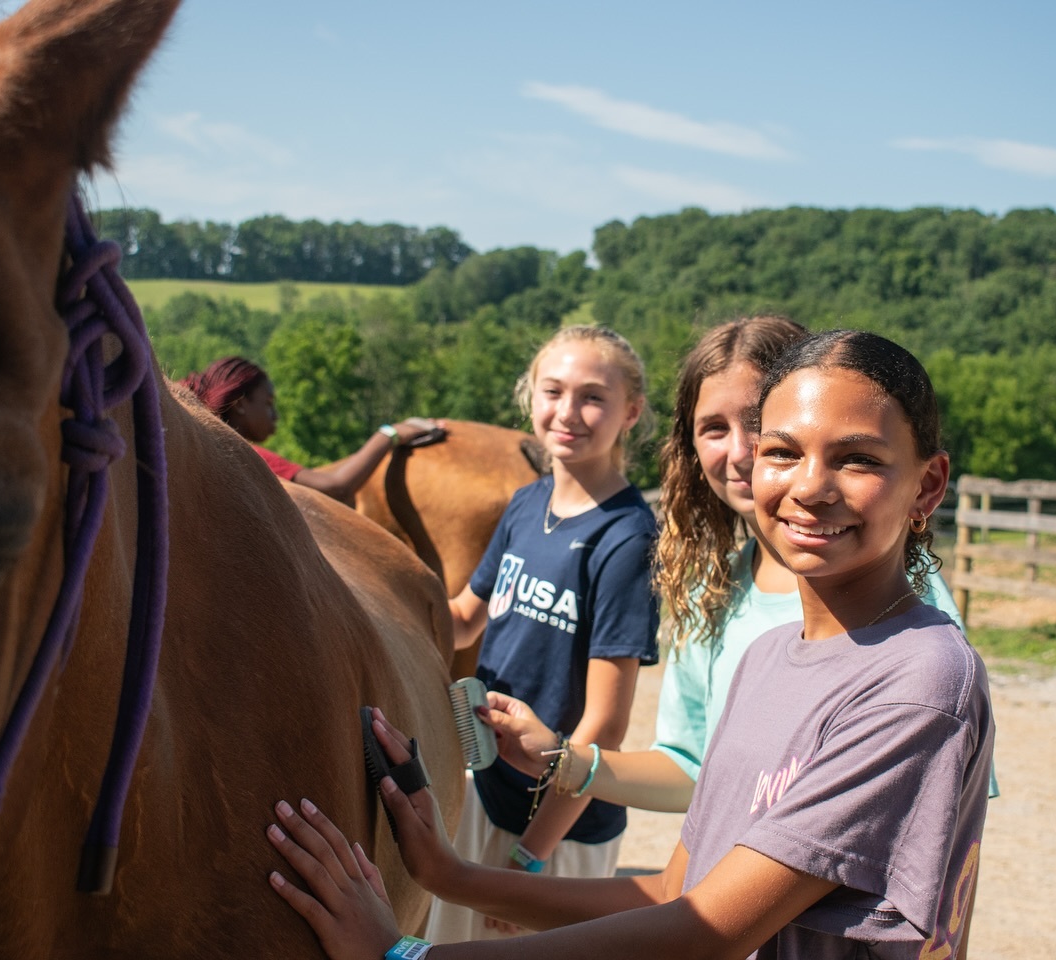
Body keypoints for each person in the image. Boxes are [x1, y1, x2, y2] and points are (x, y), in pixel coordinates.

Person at [266, 329, 995, 960]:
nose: (809, 486)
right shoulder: (769, 657)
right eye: (782, 451)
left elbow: (703, 935)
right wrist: (450, 875)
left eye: (857, 459)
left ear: (929, 486)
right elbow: (682, 887)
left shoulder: (917, 683)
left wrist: (404, 954)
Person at [474, 316, 980, 813]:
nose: (741, 452)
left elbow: (934, 807)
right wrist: (560, 759)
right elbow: (693, 768)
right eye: (714, 428)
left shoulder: (902, 601)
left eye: (760, 426)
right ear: (690, 447)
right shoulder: (711, 593)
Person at [431, 326, 661, 942]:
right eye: (552, 390)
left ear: (630, 412)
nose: (567, 412)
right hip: (485, 788)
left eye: (593, 397)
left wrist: (532, 856)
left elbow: (606, 726)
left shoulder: (627, 540)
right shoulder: (526, 503)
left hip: (561, 829)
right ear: (530, 398)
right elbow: (462, 619)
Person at [180, 356, 445, 506]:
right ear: (240, 404)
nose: (276, 416)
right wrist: (390, 434)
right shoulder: (243, 454)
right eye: (268, 404)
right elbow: (336, 487)